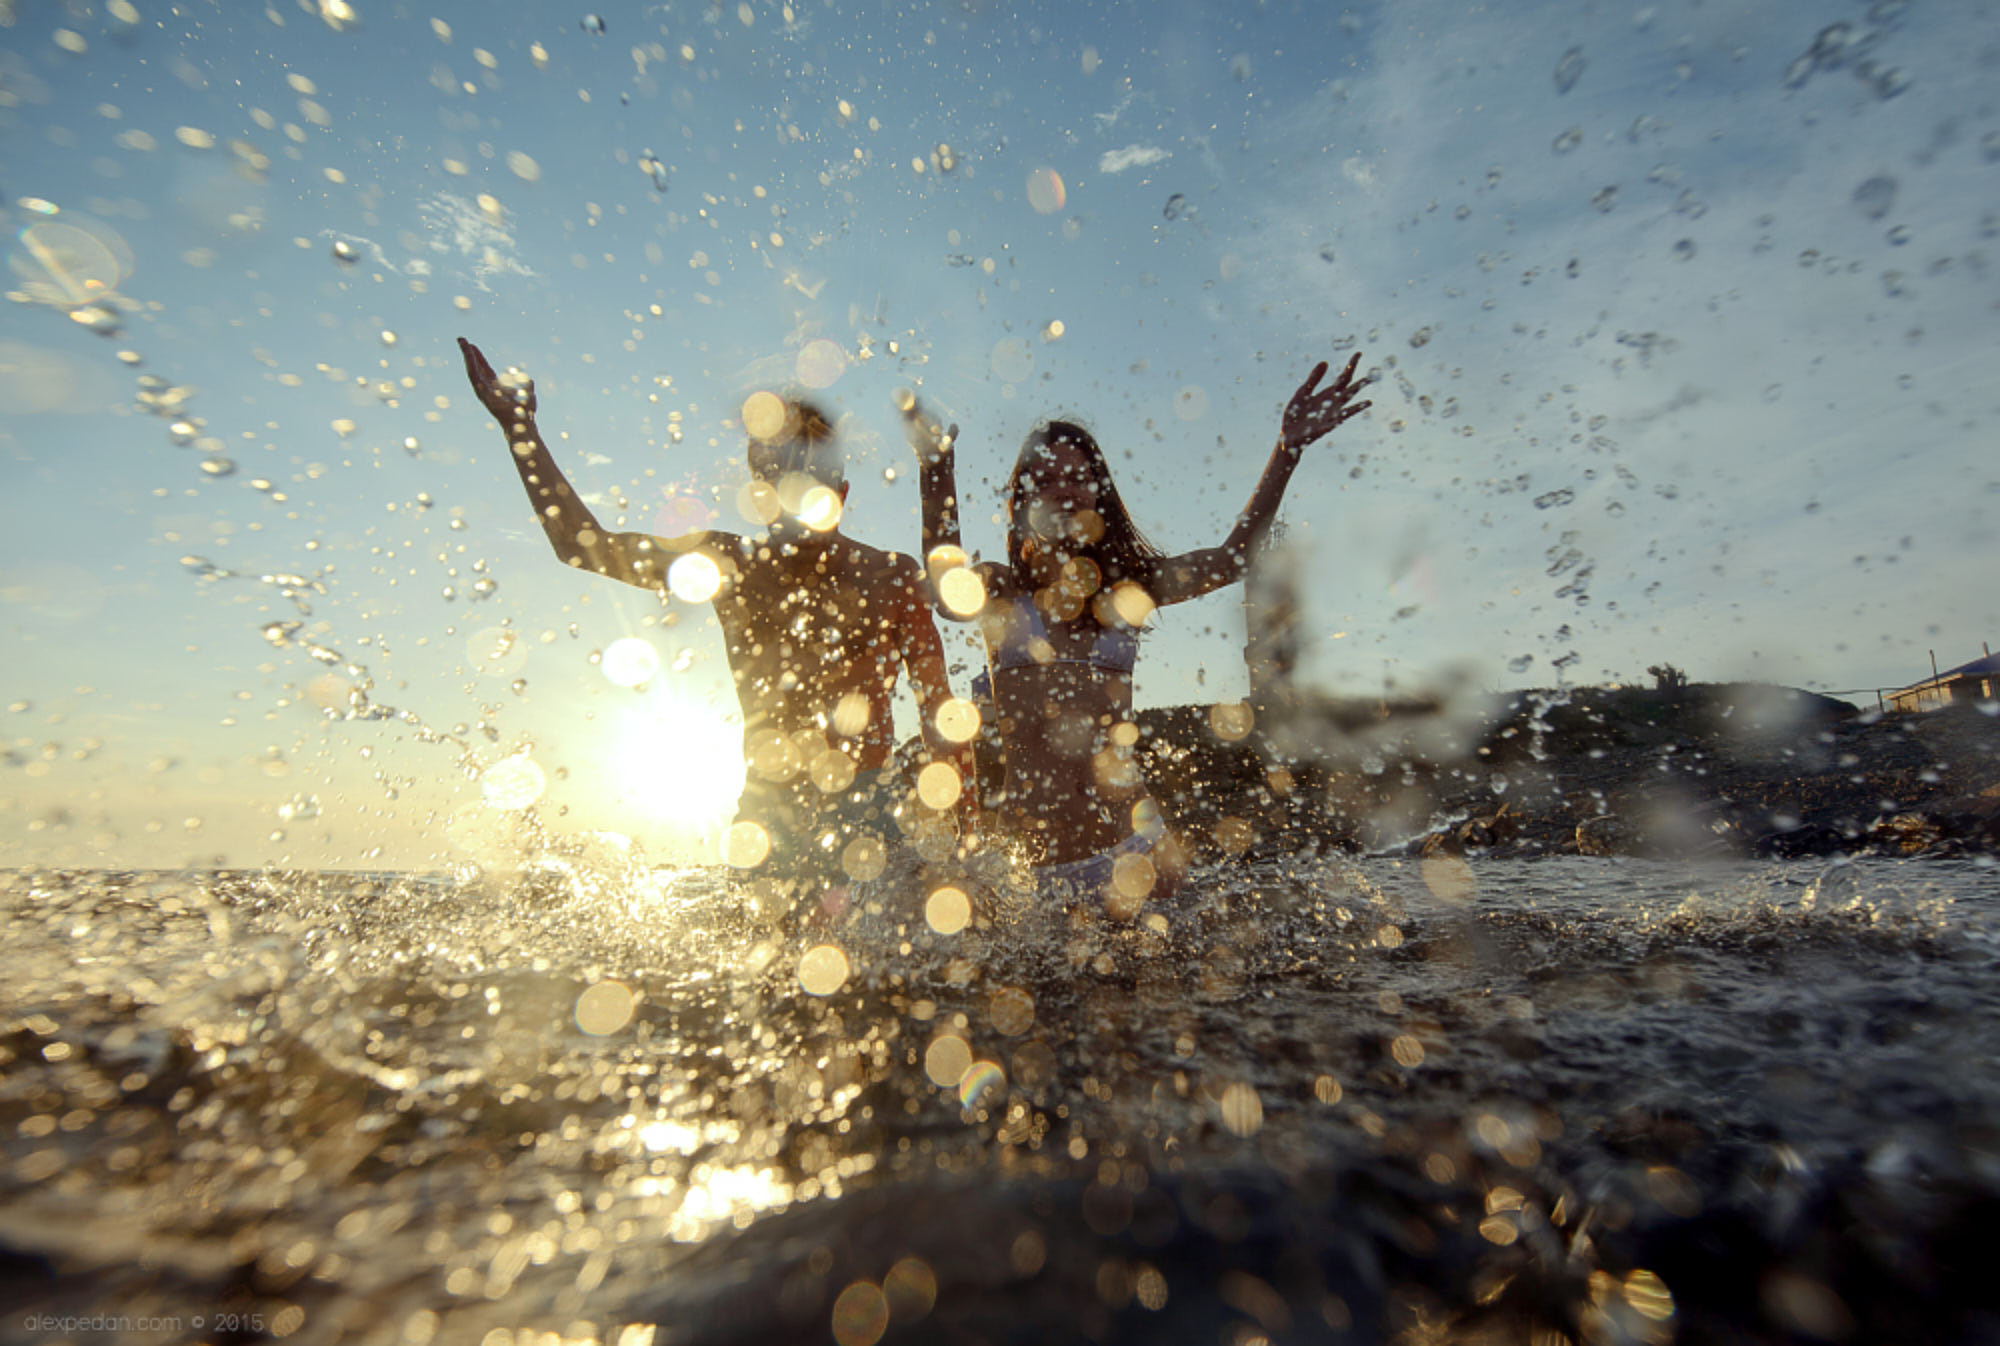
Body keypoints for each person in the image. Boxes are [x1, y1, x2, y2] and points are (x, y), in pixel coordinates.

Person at [458, 337, 975, 904]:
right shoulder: (732, 565)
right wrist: (519, 431)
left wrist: (966, 852)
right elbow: (583, 547)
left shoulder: (889, 578)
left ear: (842, 492)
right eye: (776, 475)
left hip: (870, 814)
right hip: (766, 816)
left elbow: (941, 717)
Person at [901, 354, 1372, 911]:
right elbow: (943, 587)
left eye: (1078, 478)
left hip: (1139, 856)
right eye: (1045, 479)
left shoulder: (1129, 592)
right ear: (1021, 501)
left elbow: (1235, 556)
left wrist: (1286, 450)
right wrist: (936, 468)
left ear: (1099, 493)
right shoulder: (1004, 593)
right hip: (1038, 873)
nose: (1063, 491)